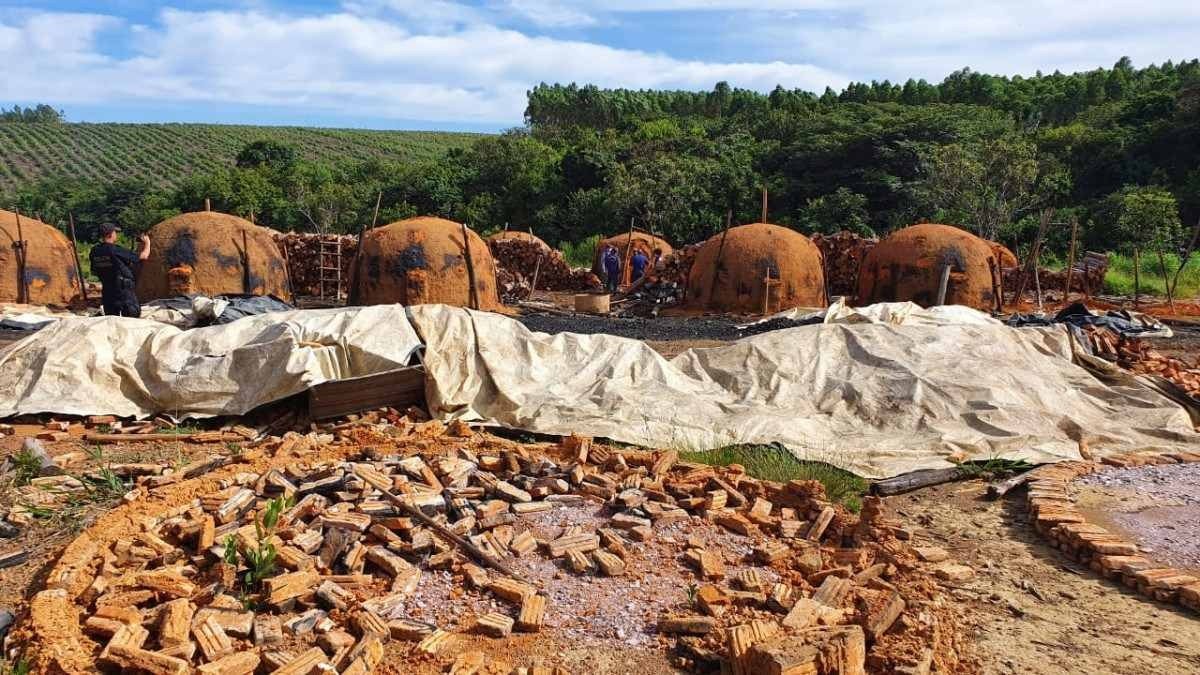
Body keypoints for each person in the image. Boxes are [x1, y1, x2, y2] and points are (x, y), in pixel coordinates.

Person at [90, 224, 150, 318]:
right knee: (132, 315)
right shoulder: (115, 249)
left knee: (111, 317)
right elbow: (143, 256)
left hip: (107, 289)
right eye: (115, 232)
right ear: (110, 234)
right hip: (123, 289)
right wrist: (147, 242)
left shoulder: (94, 251)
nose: (116, 234)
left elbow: (94, 270)